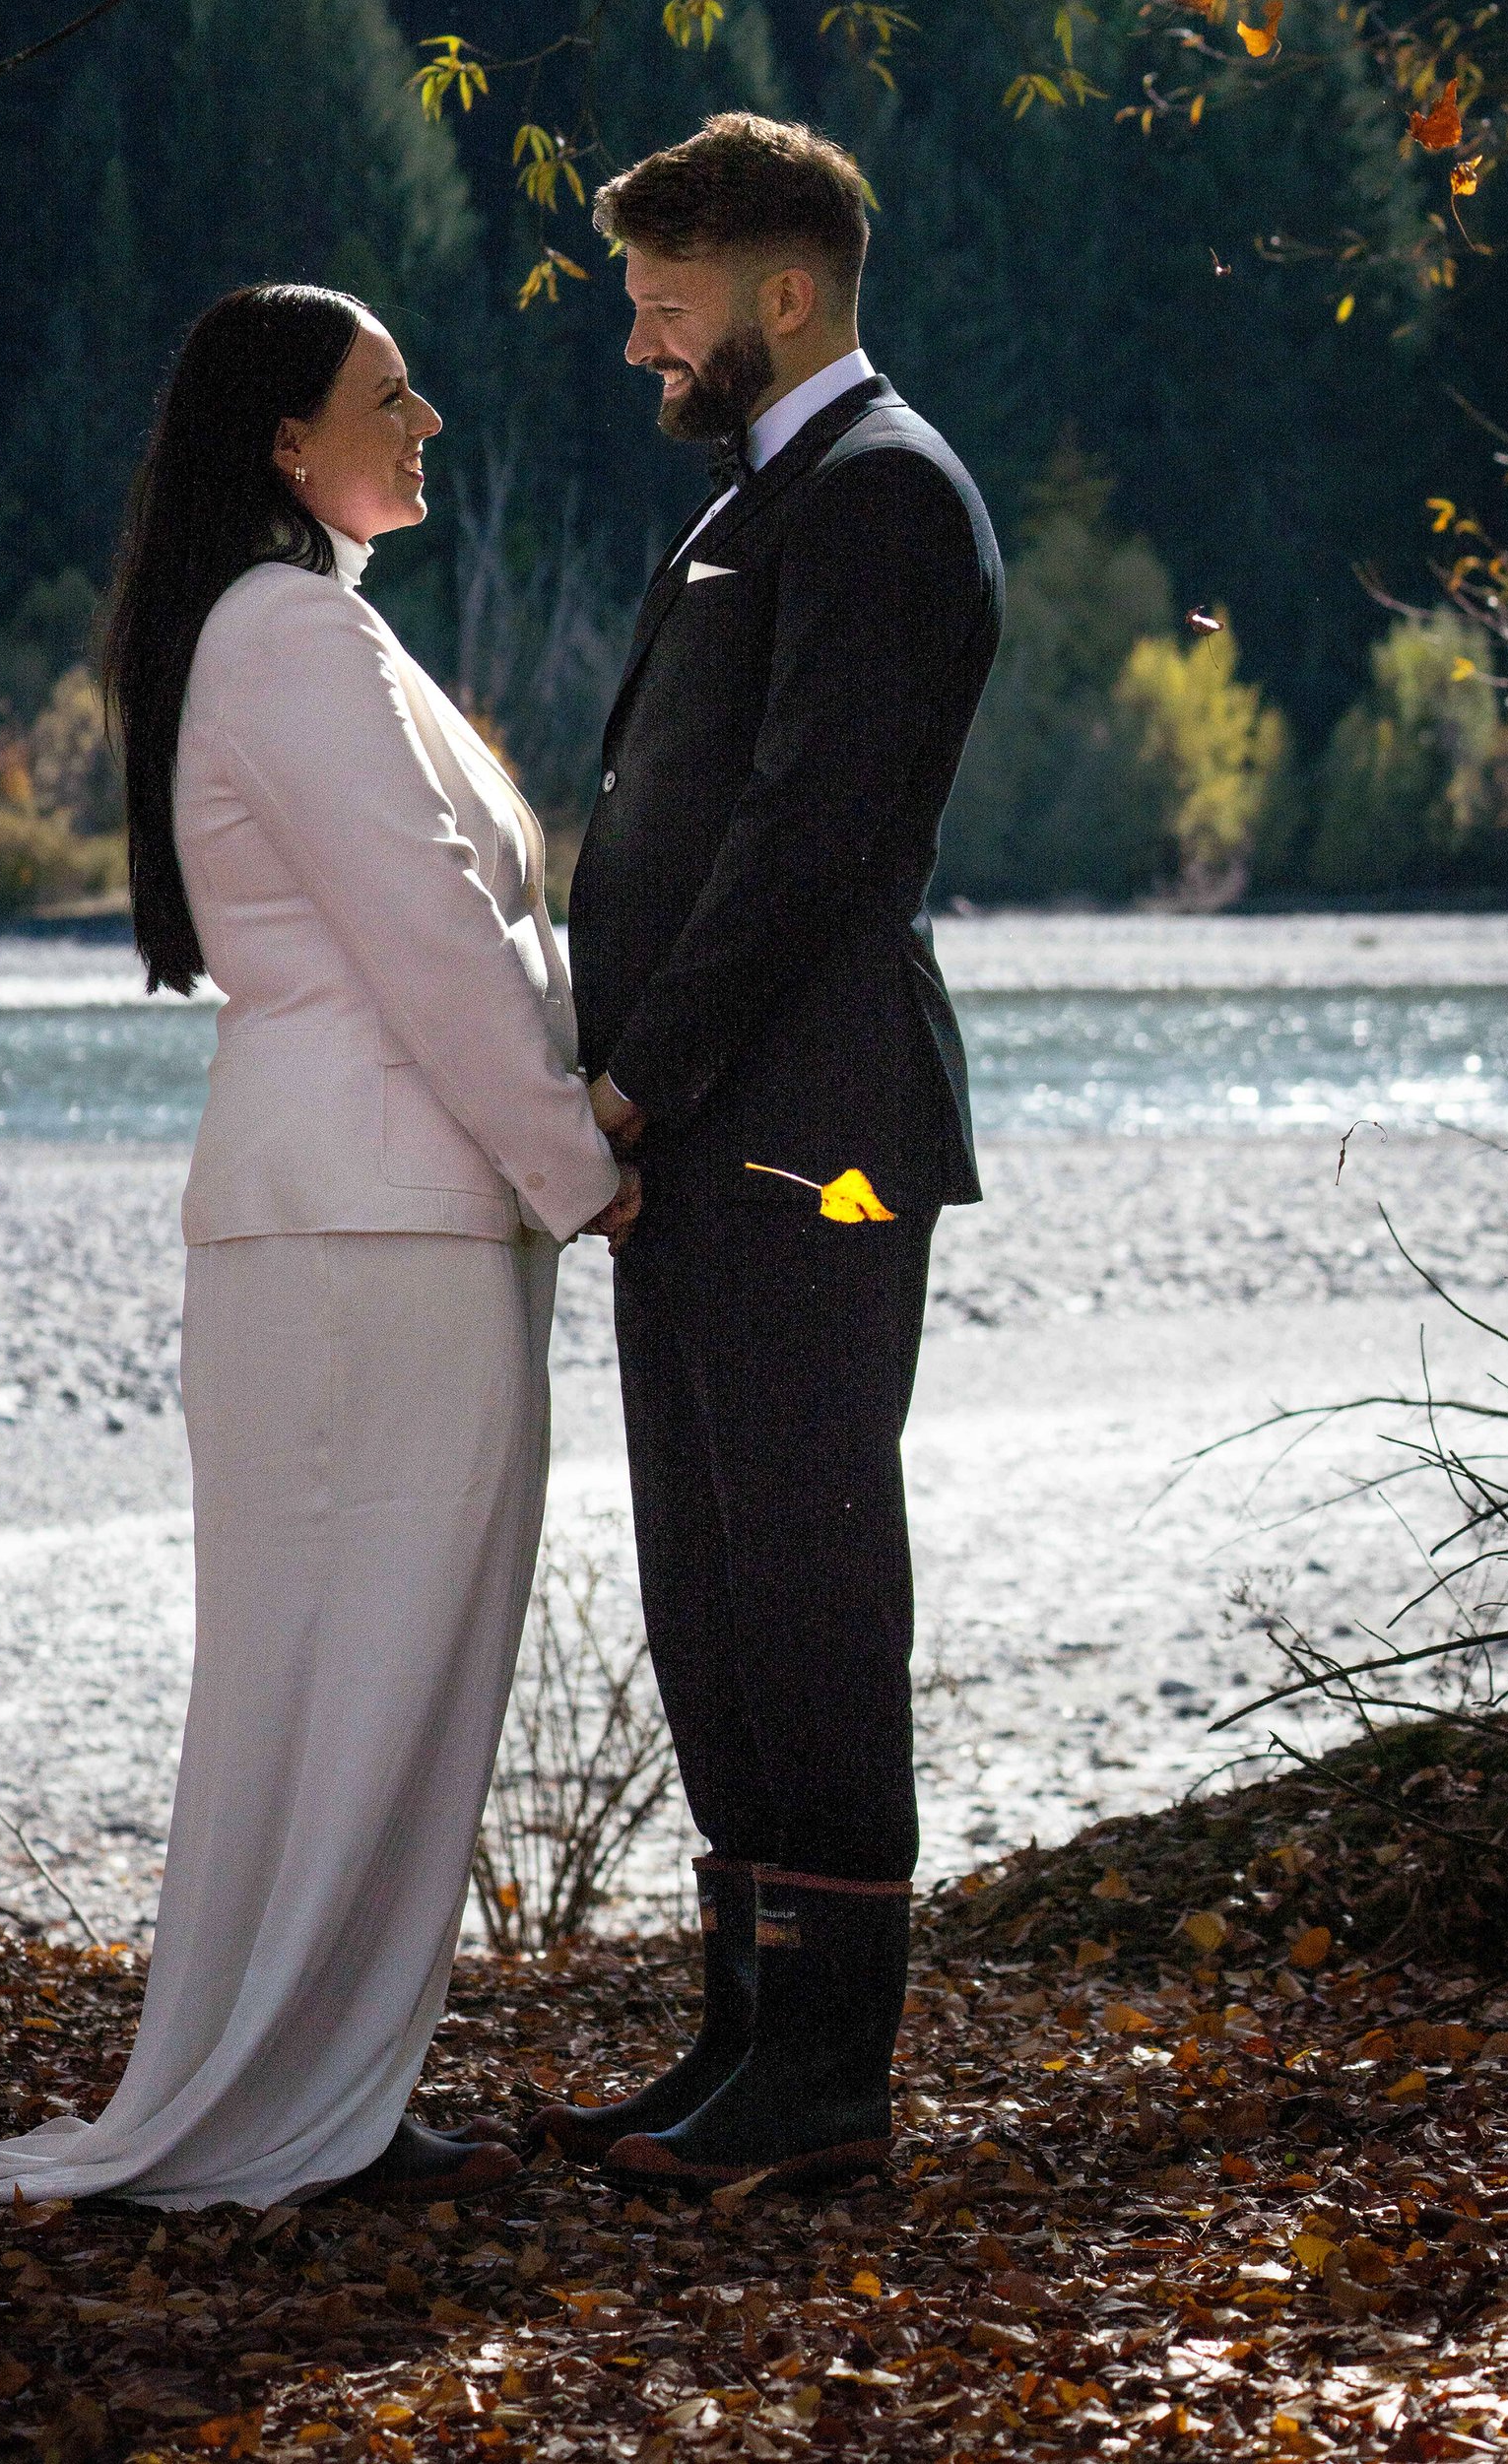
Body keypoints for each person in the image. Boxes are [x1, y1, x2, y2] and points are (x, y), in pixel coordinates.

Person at [0, 283, 634, 2215]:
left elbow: (444, 937)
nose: (424, 420)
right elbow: (427, 933)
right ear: (281, 437)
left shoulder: (280, 632)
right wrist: (578, 1162)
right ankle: (296, 2109)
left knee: (344, 1666)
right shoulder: (290, 633)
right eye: (385, 393)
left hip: (353, 1212)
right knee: (367, 1668)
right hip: (371, 1221)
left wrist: (578, 1101)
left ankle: (315, 2088)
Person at [545, 114, 1003, 2195]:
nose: (635, 327)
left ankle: (821, 2084)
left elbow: (803, 846)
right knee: (709, 1587)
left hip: (799, 1143)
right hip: (710, 1145)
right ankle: (741, 2039)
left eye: (664, 290)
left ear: (782, 288)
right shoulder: (771, 490)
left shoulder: (881, 493)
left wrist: (625, 1095)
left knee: (806, 1582)